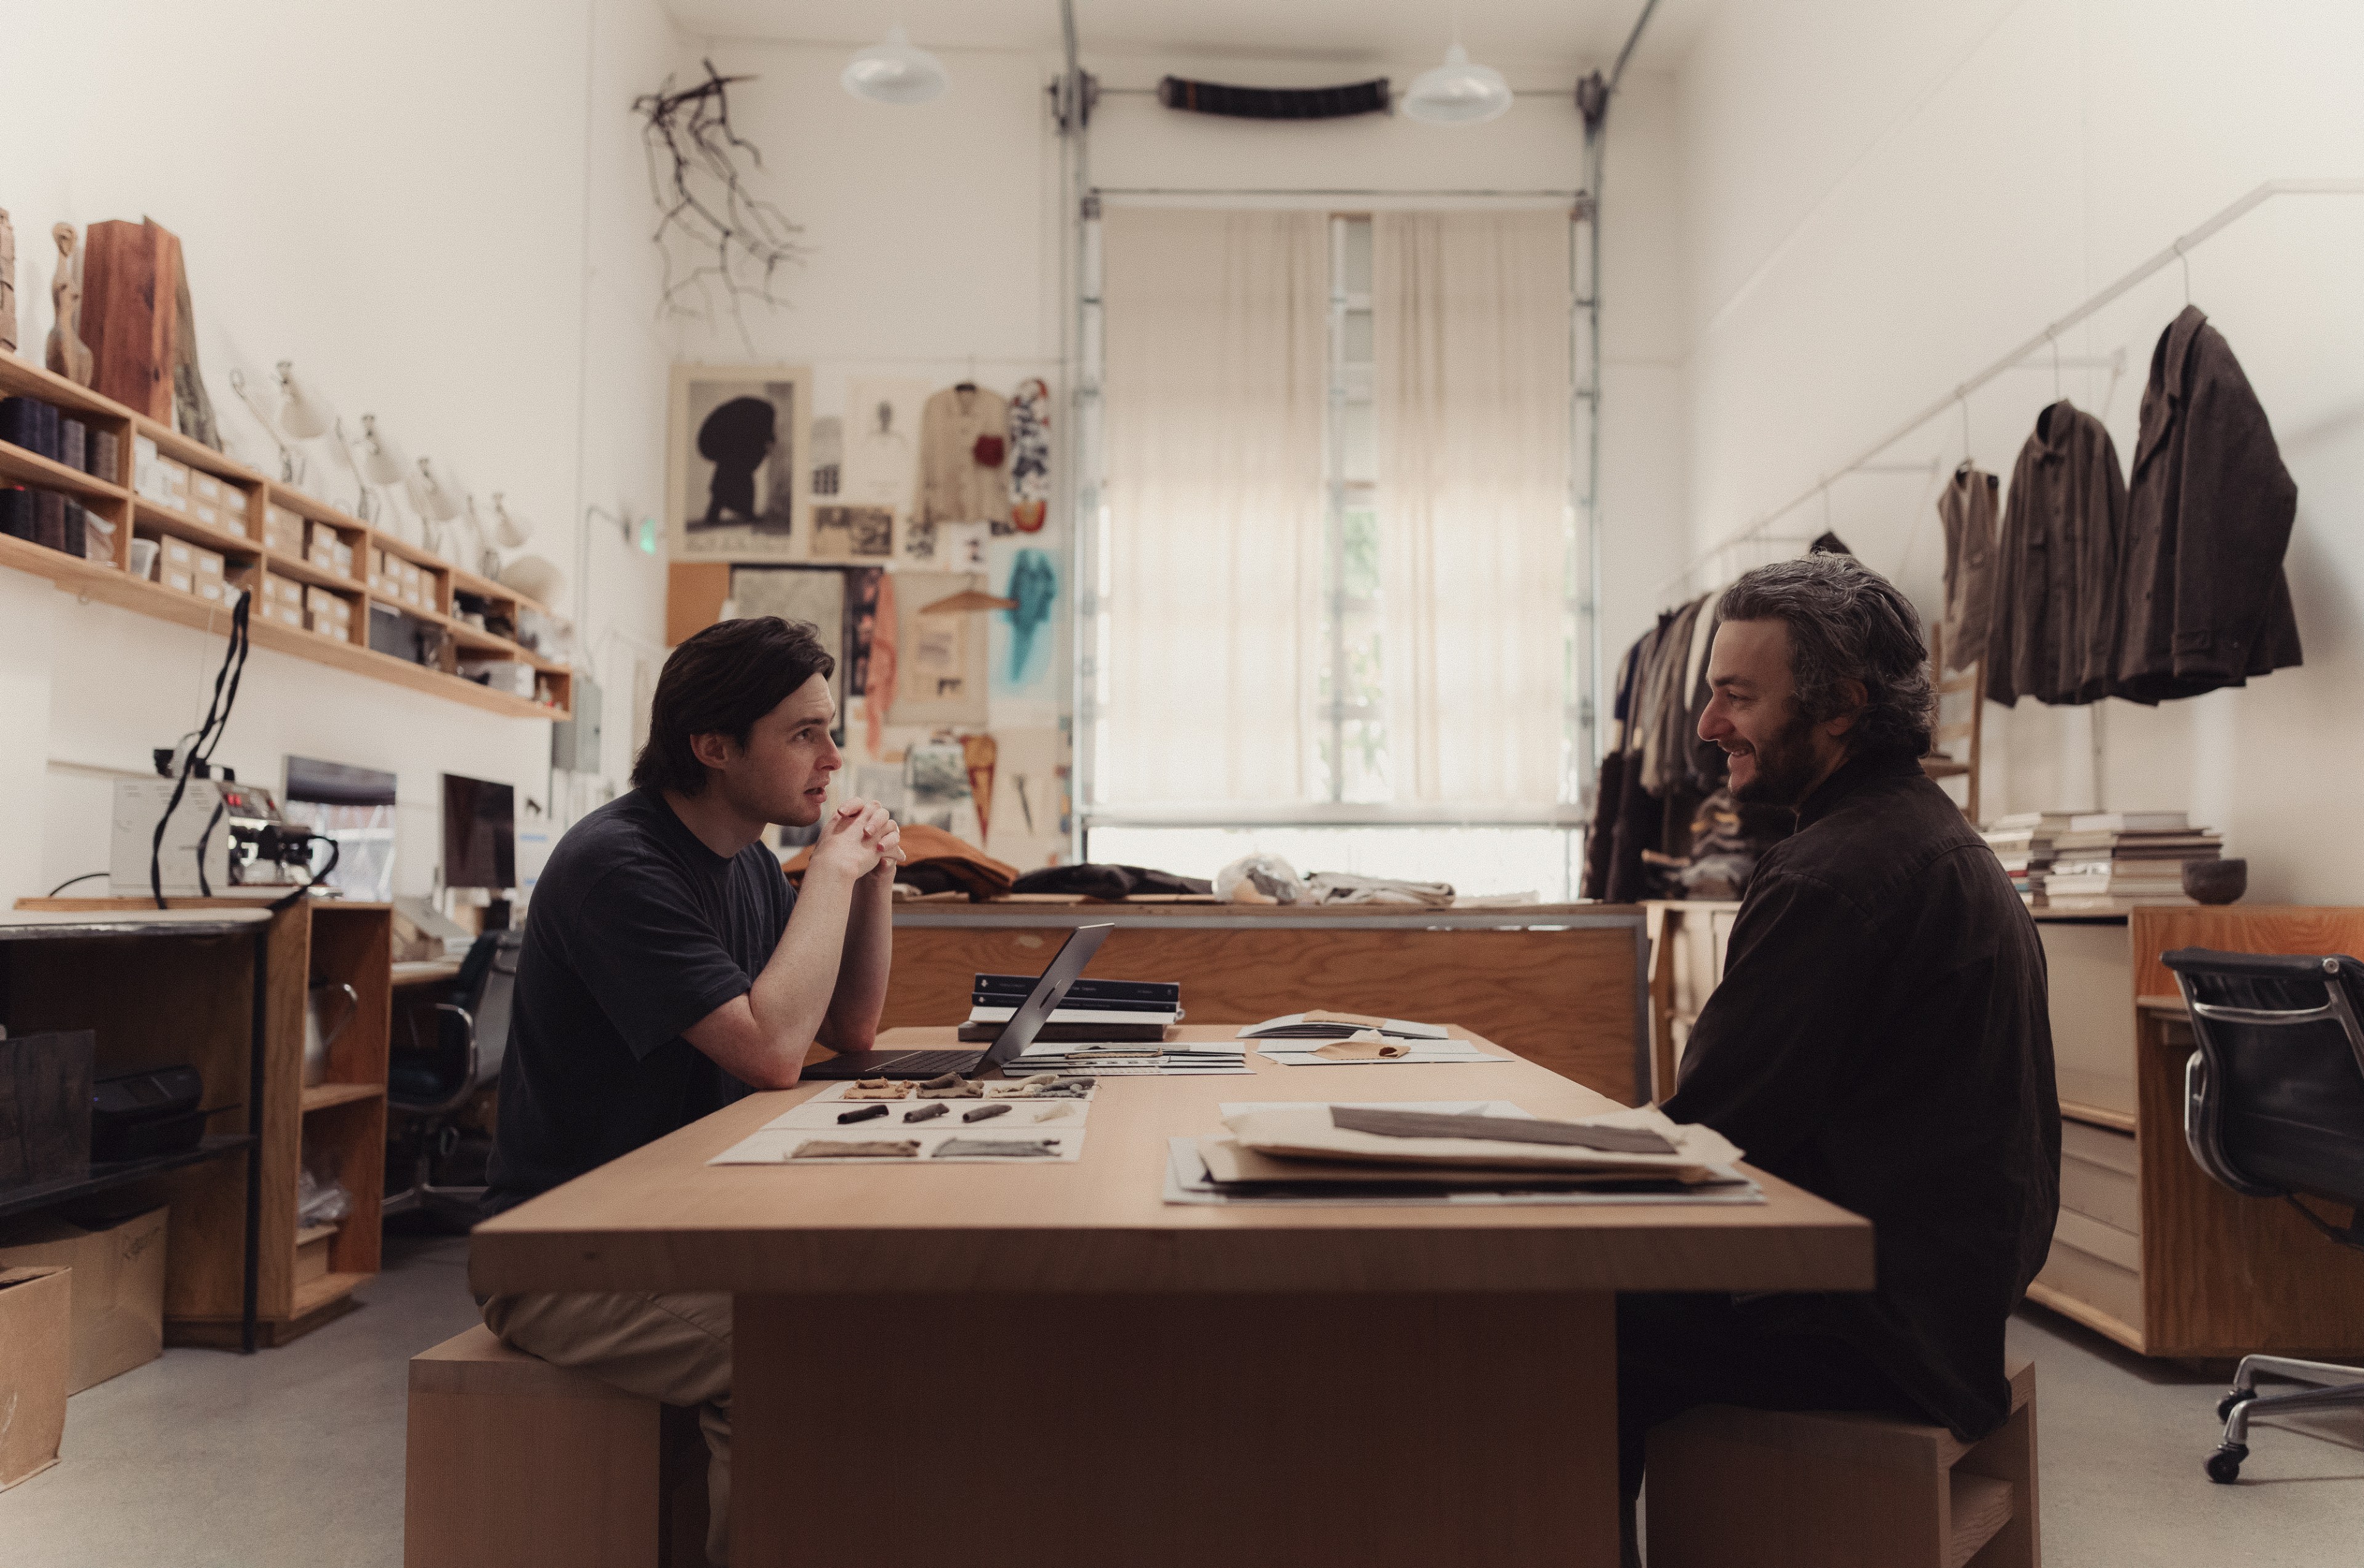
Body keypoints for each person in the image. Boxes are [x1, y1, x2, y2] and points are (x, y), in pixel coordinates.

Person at [1617, 555, 2059, 1559]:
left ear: (1841, 707)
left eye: (1737, 696)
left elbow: (1711, 1145)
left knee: (1549, 1323)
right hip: (1953, 1293)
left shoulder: (1829, 878)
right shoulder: (1936, 837)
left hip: (1881, 1330)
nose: (1705, 727)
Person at [479, 615, 901, 1568]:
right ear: (714, 748)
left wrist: (870, 880)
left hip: (677, 1218)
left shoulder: (747, 859)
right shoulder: (618, 867)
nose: (832, 758)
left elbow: (852, 1028)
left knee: (873, 1314)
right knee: (785, 1358)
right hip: (561, 1252)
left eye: (829, 731)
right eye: (804, 734)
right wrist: (830, 869)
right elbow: (772, 1052)